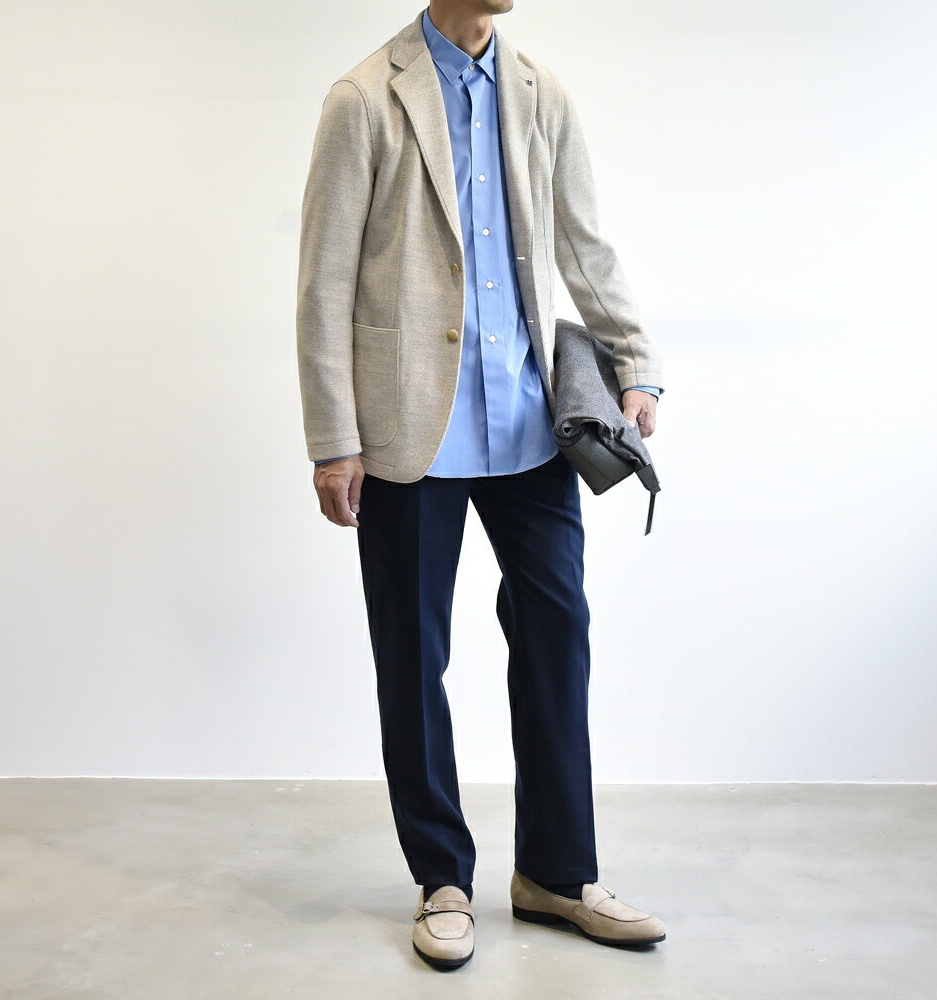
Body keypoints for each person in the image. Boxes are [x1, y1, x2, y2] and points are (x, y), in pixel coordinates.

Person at [296, 0, 667, 971]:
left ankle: (556, 873)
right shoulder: (363, 99)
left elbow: (584, 245)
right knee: (413, 659)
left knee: (557, 637)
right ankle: (442, 879)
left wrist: (635, 361)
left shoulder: (541, 93)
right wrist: (332, 439)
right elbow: (324, 281)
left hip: (530, 430)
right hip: (407, 433)